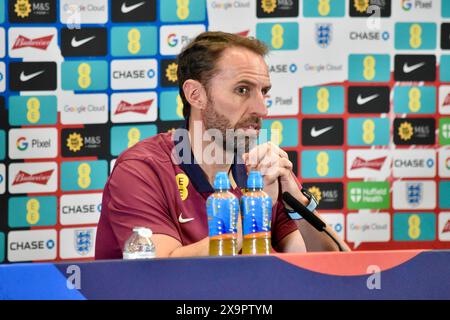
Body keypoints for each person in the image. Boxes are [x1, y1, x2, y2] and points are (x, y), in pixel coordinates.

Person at [95, 31, 348, 259]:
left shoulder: (261, 169)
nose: (262, 109)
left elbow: (329, 267)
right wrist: (256, 210)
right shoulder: (141, 169)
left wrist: (296, 200)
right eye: (242, 90)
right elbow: (162, 275)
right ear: (196, 94)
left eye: (264, 92)